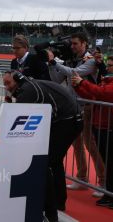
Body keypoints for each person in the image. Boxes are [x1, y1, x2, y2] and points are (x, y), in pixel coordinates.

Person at [3, 71, 83, 222]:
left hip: (67, 121)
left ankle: (52, 208)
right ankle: (58, 202)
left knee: (48, 163)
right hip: (68, 120)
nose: (6, 87)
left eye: (8, 83)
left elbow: (16, 115)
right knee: (54, 161)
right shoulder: (31, 84)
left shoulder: (28, 90)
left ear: (17, 80)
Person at [47, 32, 105, 193]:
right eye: (71, 44)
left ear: (84, 43)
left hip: (88, 106)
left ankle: (103, 182)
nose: (72, 46)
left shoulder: (91, 59)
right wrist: (52, 65)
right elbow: (56, 80)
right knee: (76, 143)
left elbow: (74, 73)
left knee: (90, 144)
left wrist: (55, 62)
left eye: (75, 44)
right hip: (73, 106)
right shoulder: (70, 60)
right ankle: (82, 178)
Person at [72, 56, 113, 209]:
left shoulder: (108, 84)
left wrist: (82, 82)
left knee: (110, 161)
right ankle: (108, 192)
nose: (107, 68)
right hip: (101, 125)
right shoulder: (107, 82)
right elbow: (92, 95)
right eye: (107, 65)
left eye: (110, 66)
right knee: (107, 160)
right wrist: (77, 86)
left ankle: (109, 192)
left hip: (107, 126)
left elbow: (102, 93)